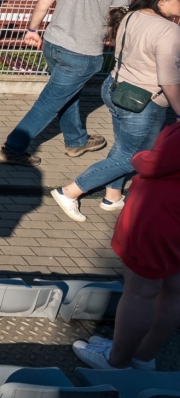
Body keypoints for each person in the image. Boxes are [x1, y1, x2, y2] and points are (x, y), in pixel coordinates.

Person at [0, 0, 142, 166]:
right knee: (50, 102)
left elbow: (43, 2)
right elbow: (117, 22)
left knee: (67, 95)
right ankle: (13, 148)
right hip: (82, 53)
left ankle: (76, 141)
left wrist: (32, 29)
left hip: (53, 43)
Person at [51, 0, 180, 222]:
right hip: (143, 101)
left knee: (123, 147)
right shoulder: (168, 29)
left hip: (115, 88)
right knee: (136, 157)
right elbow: (168, 78)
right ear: (162, 2)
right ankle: (69, 191)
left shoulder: (131, 16)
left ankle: (112, 196)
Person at [72, 118, 180, 371]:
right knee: (175, 291)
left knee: (141, 291)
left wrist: (140, 156)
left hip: (162, 216)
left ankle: (117, 361)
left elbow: (153, 163)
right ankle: (143, 356)